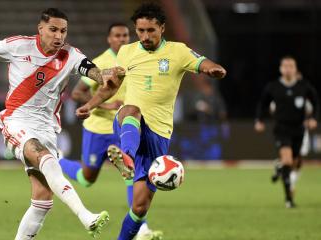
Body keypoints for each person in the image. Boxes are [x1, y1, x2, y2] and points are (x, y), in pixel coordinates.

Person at [0, 8, 123, 239]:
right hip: (17, 121)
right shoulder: (18, 46)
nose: (59, 36)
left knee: (43, 201)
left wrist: (106, 75)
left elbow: (92, 71)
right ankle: (86, 216)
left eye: (63, 31)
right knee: (45, 159)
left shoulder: (71, 55)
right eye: (53, 30)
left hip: (47, 128)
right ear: (40, 29)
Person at [76, 3, 226, 239]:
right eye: (141, 31)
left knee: (139, 207)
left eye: (150, 31)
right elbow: (111, 86)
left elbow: (202, 62)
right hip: (130, 124)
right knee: (131, 110)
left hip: (159, 135)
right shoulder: (127, 52)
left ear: (162, 28)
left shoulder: (178, 51)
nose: (145, 36)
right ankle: (127, 157)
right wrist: (90, 104)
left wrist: (213, 69)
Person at [59, 22, 161, 239]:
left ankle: (142, 229)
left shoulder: (135, 58)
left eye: (125, 35)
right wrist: (106, 105)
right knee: (87, 179)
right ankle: (56, 160)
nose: (122, 39)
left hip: (123, 127)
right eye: (117, 35)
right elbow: (78, 94)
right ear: (109, 39)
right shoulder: (101, 62)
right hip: (97, 128)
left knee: (132, 175)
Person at [255, 56, 319, 208]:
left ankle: (280, 167)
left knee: (295, 163)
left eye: (291, 66)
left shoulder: (304, 86)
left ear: (295, 69)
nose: (288, 69)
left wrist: (314, 118)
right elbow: (263, 103)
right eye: (285, 66)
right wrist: (259, 120)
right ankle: (288, 199)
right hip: (282, 129)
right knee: (288, 161)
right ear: (281, 69)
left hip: (299, 129)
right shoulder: (274, 87)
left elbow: (315, 102)